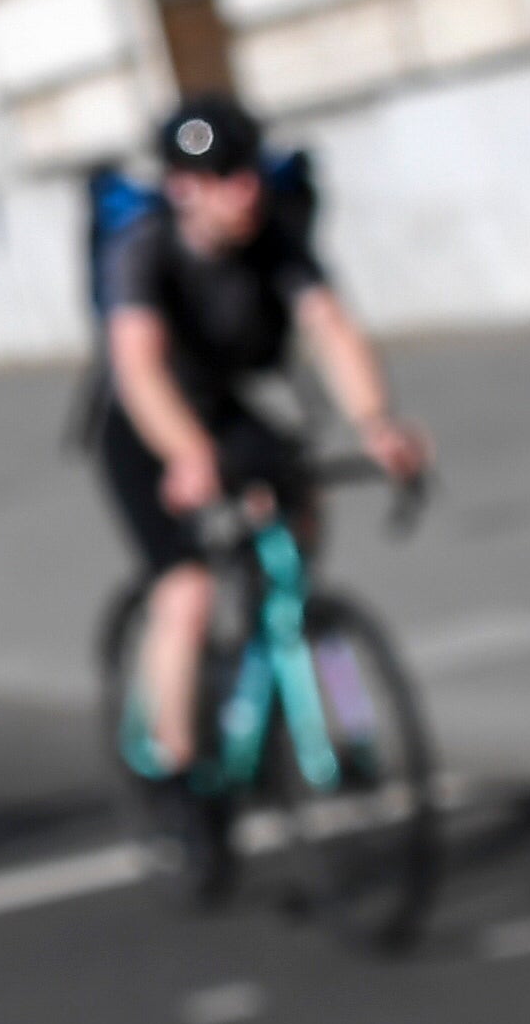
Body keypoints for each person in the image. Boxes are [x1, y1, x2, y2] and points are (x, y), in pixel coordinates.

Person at [99, 92, 430, 777]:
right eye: (224, 176)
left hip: (222, 413)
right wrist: (188, 455)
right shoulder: (144, 249)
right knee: (186, 595)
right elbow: (137, 367)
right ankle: (171, 760)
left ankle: (305, 676)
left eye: (248, 169)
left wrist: (377, 423)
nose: (245, 190)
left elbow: (330, 328)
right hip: (142, 426)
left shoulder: (275, 238)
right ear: (183, 187)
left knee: (297, 534)